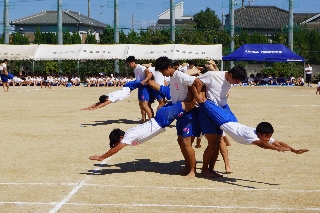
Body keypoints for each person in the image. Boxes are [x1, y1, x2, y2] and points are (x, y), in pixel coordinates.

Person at [89, 97, 197, 163]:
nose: (118, 144)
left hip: (161, 120)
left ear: (121, 138)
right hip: (160, 118)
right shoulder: (130, 134)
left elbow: (115, 150)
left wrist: (101, 157)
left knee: (190, 103)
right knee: (183, 100)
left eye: (117, 142)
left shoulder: (128, 137)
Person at [197, 98, 309, 154]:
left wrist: (294, 150)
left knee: (221, 100)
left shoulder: (261, 135)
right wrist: (277, 149)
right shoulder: (254, 136)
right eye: (267, 136)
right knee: (203, 101)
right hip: (224, 120)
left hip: (233, 120)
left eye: (269, 136)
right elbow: (262, 144)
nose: (268, 139)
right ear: (260, 134)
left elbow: (278, 142)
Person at [195, 66, 247, 178]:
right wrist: (199, 95)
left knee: (218, 142)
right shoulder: (212, 75)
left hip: (221, 111)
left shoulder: (228, 79)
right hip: (208, 110)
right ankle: (204, 169)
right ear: (231, 75)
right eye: (236, 81)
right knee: (212, 143)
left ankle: (211, 169)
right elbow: (197, 81)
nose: (236, 83)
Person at [155, 56, 202, 178]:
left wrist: (194, 100)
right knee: (181, 141)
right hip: (179, 111)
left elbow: (197, 82)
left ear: (169, 67)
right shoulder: (172, 78)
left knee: (187, 143)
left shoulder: (180, 75)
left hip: (188, 113)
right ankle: (187, 167)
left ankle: (193, 170)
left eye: (163, 71)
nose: (162, 74)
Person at [126, 56, 154, 123]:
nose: (129, 65)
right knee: (141, 104)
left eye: (129, 64)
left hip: (145, 87)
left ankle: (151, 120)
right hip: (140, 87)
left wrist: (145, 81)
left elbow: (150, 74)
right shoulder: (135, 69)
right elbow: (138, 78)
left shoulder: (141, 67)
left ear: (133, 62)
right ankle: (143, 119)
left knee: (145, 104)